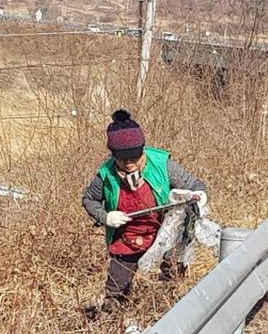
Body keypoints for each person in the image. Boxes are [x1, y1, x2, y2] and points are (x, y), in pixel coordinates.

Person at [82, 109, 207, 309]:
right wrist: (105, 216)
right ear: (114, 155)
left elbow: (195, 184)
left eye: (134, 157)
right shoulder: (106, 174)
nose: (130, 164)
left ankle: (162, 313)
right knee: (115, 291)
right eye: (123, 159)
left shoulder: (162, 164)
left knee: (170, 283)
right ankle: (113, 319)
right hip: (127, 238)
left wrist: (199, 196)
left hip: (165, 234)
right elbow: (89, 200)